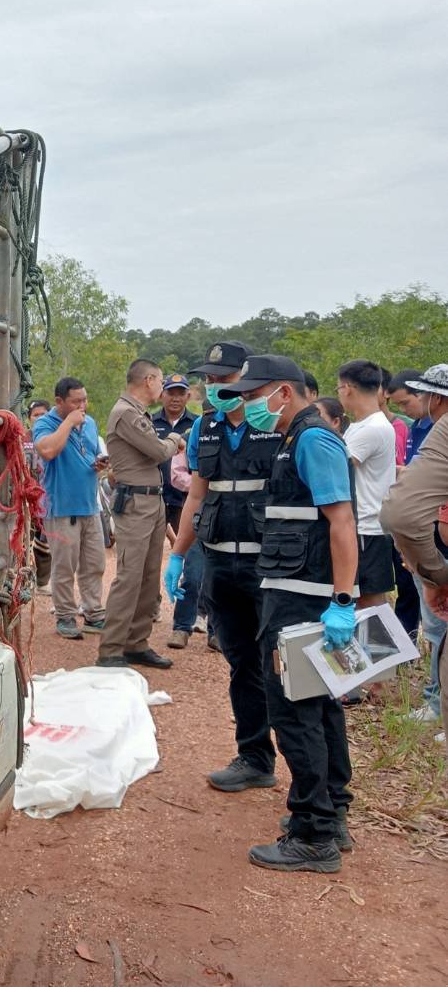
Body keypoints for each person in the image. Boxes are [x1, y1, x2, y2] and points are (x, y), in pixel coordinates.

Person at [220, 355, 356, 873]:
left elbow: (341, 522)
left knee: (295, 711)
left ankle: (313, 832)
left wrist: (342, 603)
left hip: (304, 599)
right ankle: (332, 812)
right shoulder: (296, 439)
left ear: (282, 391)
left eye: (254, 396)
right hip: (295, 592)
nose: (249, 405)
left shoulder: (313, 440)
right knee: (319, 706)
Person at [166, 340, 280, 792]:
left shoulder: (276, 427)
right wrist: (177, 556)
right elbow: (198, 493)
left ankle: (315, 782)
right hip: (221, 562)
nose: (214, 387)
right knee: (242, 664)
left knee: (281, 666)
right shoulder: (205, 428)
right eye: (209, 379)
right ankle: (255, 756)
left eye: (224, 379)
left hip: (271, 565)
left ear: (248, 379)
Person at [98, 360, 187, 668]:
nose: (162, 388)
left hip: (152, 501)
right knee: (129, 577)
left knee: (149, 578)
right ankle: (111, 649)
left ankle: (137, 642)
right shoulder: (125, 414)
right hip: (135, 504)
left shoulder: (136, 413)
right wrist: (176, 439)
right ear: (148, 380)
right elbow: (160, 451)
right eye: (160, 381)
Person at [381, 364, 448, 729]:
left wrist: (430, 569)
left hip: (436, 549)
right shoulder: (425, 427)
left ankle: (438, 706)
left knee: (438, 628)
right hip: (432, 542)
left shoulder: (440, 430)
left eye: (421, 396)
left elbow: (404, 513)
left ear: (436, 397)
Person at [32, 378, 107, 639]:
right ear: (59, 402)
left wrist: (99, 464)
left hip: (89, 505)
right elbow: (48, 451)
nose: (82, 405)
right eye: (76, 401)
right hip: (61, 508)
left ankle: (93, 613)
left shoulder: (91, 423)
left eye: (84, 400)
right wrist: (69, 423)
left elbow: (92, 453)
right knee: (64, 566)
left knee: (95, 563)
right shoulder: (44, 424)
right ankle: (65, 615)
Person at [336, 360, 396, 608]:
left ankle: (384, 648)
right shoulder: (362, 426)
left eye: (338, 388)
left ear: (348, 388)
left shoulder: (371, 428)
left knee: (369, 603)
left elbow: (339, 468)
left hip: (366, 528)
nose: (339, 393)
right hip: (364, 526)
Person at [154, 372, 206, 648]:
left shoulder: (198, 424)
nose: (175, 397)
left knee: (197, 566)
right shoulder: (151, 422)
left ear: (188, 395)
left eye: (180, 392)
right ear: (162, 394)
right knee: (153, 558)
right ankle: (158, 610)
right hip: (159, 498)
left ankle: (201, 620)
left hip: (191, 501)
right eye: (170, 392)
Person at [25, 400, 53, 594]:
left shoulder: (54, 438)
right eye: (35, 415)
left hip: (48, 496)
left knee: (46, 541)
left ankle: (43, 581)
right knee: (25, 539)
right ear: (29, 418)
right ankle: (24, 580)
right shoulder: (22, 438)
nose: (39, 418)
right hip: (26, 496)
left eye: (43, 414)